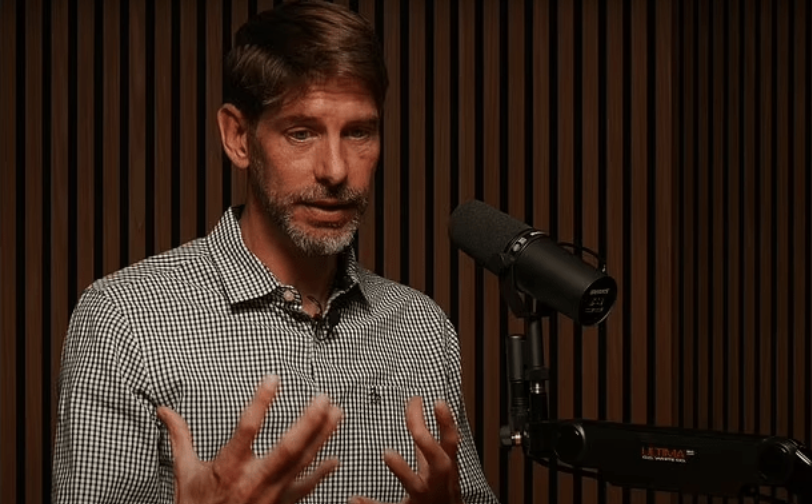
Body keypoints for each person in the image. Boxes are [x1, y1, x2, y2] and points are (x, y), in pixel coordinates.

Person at [52, 1, 498, 503]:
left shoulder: (423, 328)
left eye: (358, 132)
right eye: (301, 133)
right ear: (238, 137)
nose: (335, 170)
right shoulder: (124, 319)